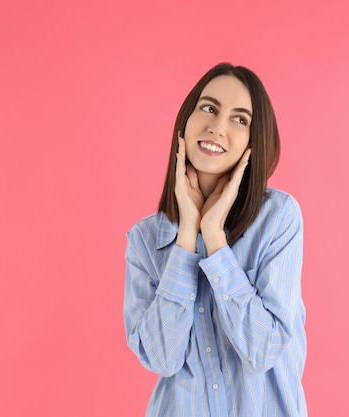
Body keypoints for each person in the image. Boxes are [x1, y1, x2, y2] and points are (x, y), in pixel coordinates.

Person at [123, 62, 307, 417]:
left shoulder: (278, 218)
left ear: (255, 142)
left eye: (240, 119)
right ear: (185, 122)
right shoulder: (145, 240)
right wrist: (187, 238)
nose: (217, 127)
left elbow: (263, 349)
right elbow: (161, 357)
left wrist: (215, 239)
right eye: (208, 108)